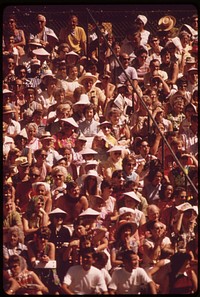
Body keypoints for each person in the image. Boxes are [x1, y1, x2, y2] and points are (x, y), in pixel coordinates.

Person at [27, 226, 61, 294]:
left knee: (56, 292)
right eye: (41, 237)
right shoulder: (30, 244)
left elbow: (52, 263)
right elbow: (33, 261)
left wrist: (48, 259)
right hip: (36, 272)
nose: (43, 239)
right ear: (37, 237)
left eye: (45, 238)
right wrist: (40, 259)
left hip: (48, 272)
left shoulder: (51, 245)